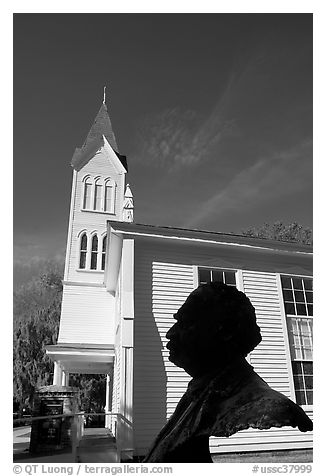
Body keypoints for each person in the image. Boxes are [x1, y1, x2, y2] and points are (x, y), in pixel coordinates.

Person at [143, 282, 313, 463]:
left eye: (184, 322)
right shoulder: (197, 393)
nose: (170, 333)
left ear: (224, 331)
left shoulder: (267, 404)